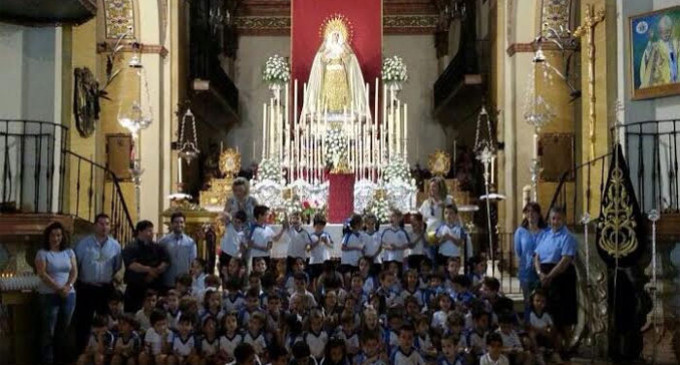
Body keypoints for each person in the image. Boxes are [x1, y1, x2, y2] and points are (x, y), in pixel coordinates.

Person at [73, 213, 122, 352]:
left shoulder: (115, 245)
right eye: (101, 224)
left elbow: (117, 266)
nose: (104, 227)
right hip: (86, 287)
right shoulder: (83, 244)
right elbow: (76, 264)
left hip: (105, 288)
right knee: (83, 321)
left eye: (107, 224)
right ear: (95, 225)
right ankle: (81, 352)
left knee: (105, 321)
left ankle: (104, 352)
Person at [533, 205, 577, 360]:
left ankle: (567, 349)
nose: (555, 221)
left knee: (562, 318)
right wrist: (540, 274)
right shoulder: (545, 235)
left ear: (563, 219)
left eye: (558, 218)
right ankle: (551, 349)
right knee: (548, 315)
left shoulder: (568, 237)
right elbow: (536, 256)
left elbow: (565, 261)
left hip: (560, 280)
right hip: (543, 278)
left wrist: (549, 276)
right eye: (553, 218)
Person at [35, 221, 78, 365]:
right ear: (48, 237)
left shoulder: (69, 252)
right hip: (49, 295)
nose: (56, 238)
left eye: (59, 235)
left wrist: (68, 286)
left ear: (62, 236)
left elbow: (74, 271)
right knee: (49, 332)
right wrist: (58, 288)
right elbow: (42, 273)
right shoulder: (43, 253)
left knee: (64, 331)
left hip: (68, 294)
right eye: (53, 235)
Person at [123, 220, 170, 312]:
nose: (151, 234)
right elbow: (131, 264)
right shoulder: (131, 247)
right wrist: (148, 270)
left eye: (152, 231)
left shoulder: (158, 247)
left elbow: (166, 261)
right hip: (136, 289)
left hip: (155, 287)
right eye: (149, 231)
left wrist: (156, 271)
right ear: (140, 232)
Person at [513, 202, 546, 320]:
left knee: (541, 301)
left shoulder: (545, 232)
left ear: (538, 214)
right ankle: (528, 325)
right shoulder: (520, 232)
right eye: (528, 211)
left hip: (541, 271)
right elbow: (518, 251)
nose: (530, 214)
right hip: (526, 272)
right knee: (528, 301)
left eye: (533, 211)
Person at [159, 212, 197, 291]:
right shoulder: (163, 241)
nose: (179, 224)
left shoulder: (190, 242)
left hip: (184, 283)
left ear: (184, 224)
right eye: (176, 222)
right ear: (172, 224)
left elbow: (192, 262)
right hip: (167, 280)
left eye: (181, 222)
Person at [639, 15, 680, 88]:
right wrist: (650, 41)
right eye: (664, 32)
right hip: (662, 79)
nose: (666, 34)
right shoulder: (656, 46)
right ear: (660, 33)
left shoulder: (675, 43)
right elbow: (647, 55)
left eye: (668, 31)